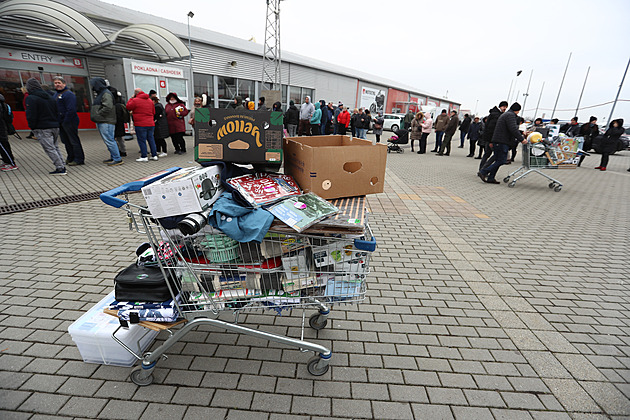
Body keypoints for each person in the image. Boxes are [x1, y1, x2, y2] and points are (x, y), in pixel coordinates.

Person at [24, 78, 67, 174]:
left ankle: (60, 168)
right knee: (55, 147)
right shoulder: (50, 97)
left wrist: (32, 127)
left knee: (49, 148)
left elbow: (31, 114)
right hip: (54, 126)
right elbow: (56, 111)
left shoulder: (31, 98)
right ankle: (62, 164)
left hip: (42, 127)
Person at [479, 102, 527, 184]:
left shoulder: (506, 115)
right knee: (502, 160)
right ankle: (484, 172)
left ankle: (491, 177)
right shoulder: (510, 116)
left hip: (498, 140)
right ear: (517, 110)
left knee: (498, 160)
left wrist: (520, 133)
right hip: (502, 141)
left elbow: (509, 128)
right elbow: (512, 129)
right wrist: (521, 139)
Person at [90, 78, 123, 167]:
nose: (92, 87)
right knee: (109, 140)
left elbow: (107, 107)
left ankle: (117, 158)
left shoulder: (105, 93)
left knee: (109, 140)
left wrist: (98, 114)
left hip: (106, 121)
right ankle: (114, 156)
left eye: (93, 84)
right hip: (104, 120)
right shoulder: (103, 93)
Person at [53, 76, 84, 166]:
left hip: (69, 121)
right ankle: (70, 157)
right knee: (66, 141)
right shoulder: (55, 94)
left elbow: (71, 109)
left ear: (64, 84)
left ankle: (79, 159)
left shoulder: (68, 94)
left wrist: (65, 120)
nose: (57, 85)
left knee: (73, 141)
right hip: (60, 122)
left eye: (59, 83)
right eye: (55, 83)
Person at [127, 88, 158, 162]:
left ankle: (144, 156)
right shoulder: (150, 100)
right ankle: (154, 155)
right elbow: (153, 112)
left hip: (140, 124)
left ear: (135, 93)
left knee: (142, 140)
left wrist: (131, 98)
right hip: (150, 123)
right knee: (151, 139)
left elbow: (128, 107)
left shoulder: (135, 100)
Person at [478, 101, 508, 169]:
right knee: (495, 155)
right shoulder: (496, 115)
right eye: (504, 107)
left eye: (506, 107)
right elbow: (491, 129)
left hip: (490, 138)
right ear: (500, 106)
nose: (505, 108)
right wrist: (491, 141)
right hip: (492, 139)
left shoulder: (494, 114)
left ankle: (482, 169)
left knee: (487, 154)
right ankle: (484, 170)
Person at [0, 94, 17, 171]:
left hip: (1, 128)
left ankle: (11, 163)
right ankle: (8, 161)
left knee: (3, 146)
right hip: (3, 128)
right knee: (4, 145)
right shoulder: (4, 104)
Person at [112, 88, 129, 158]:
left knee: (116, 139)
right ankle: (123, 150)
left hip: (116, 124)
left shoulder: (115, 105)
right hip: (120, 124)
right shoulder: (121, 104)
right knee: (120, 139)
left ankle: (120, 151)